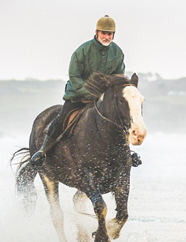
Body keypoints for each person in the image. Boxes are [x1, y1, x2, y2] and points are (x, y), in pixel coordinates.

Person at [30, 15, 141, 167]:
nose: (107, 36)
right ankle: (43, 151)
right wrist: (87, 94)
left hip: (102, 98)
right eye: (104, 33)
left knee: (119, 120)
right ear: (96, 32)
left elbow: (118, 78)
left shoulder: (117, 53)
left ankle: (127, 153)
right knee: (61, 119)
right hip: (77, 96)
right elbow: (74, 76)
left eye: (110, 34)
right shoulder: (82, 51)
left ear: (113, 35)